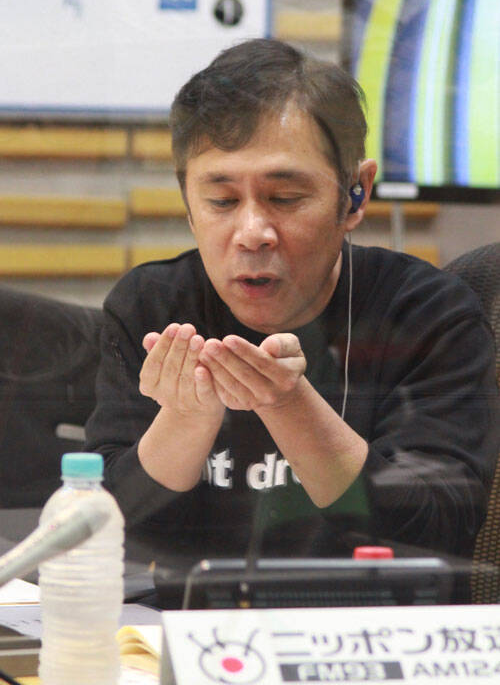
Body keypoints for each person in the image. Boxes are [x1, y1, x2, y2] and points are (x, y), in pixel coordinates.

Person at [85, 38, 498, 561]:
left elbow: (440, 531)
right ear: (188, 203)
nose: (252, 232)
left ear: (355, 195)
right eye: (221, 201)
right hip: (183, 612)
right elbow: (101, 531)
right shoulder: (152, 308)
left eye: (285, 198)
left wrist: (288, 405)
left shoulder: (427, 313)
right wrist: (184, 422)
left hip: (365, 612)